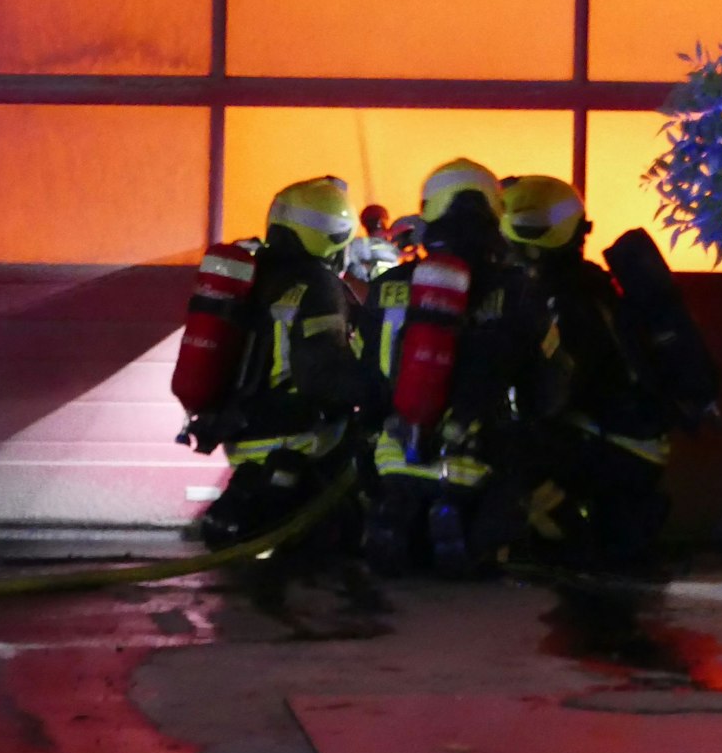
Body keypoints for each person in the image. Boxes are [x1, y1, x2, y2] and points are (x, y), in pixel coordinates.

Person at [361, 159, 563, 577]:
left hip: (392, 463)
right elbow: (548, 394)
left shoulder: (385, 287)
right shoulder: (519, 290)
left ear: (428, 210)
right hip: (479, 465)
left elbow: (363, 380)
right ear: (495, 212)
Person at [192, 176, 375, 551]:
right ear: (334, 235)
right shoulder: (317, 285)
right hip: (296, 434)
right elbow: (322, 375)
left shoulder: (256, 275)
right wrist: (379, 389)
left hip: (242, 431)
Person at [499, 175, 671, 572]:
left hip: (613, 443)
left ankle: (564, 536)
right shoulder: (588, 283)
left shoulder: (561, 299)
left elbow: (558, 393)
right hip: (631, 438)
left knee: (503, 447)